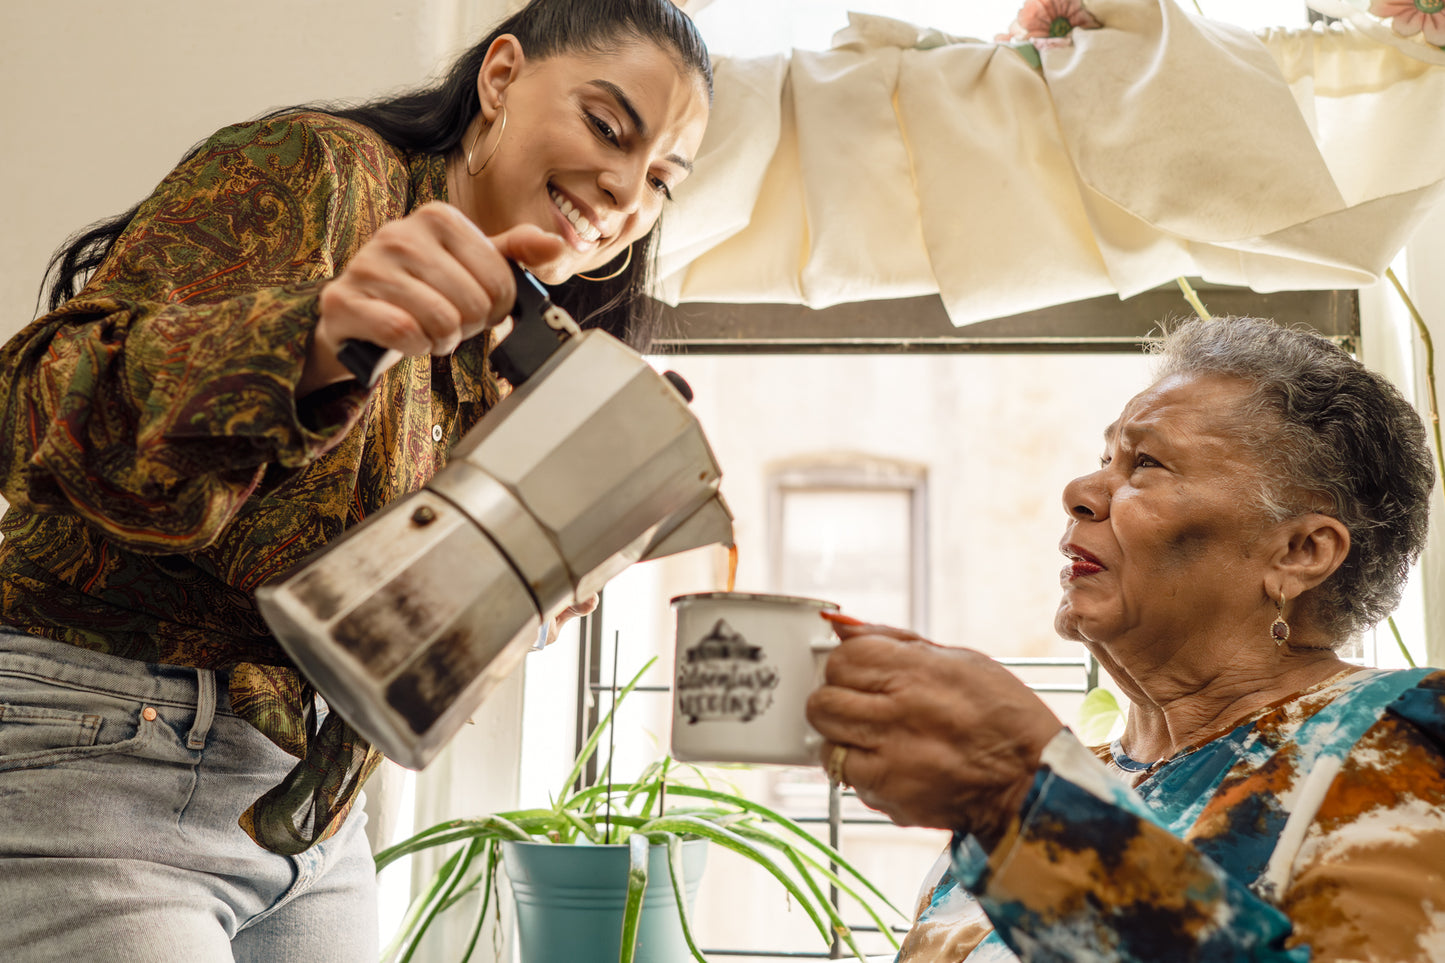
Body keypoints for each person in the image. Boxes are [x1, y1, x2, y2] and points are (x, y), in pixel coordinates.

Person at [0, 0, 711, 959]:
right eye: (606, 126)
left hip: (307, 816)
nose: (625, 189)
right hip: (98, 750)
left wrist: (532, 568)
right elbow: (28, 413)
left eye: (662, 180)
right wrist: (318, 341)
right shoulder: (318, 171)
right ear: (499, 78)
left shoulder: (511, 358)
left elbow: (372, 626)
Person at [807, 316, 1445, 962]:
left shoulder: (1398, 746)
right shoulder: (1069, 778)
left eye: (1144, 463)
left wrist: (1019, 798)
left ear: (1298, 551)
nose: (1078, 493)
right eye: (1102, 459)